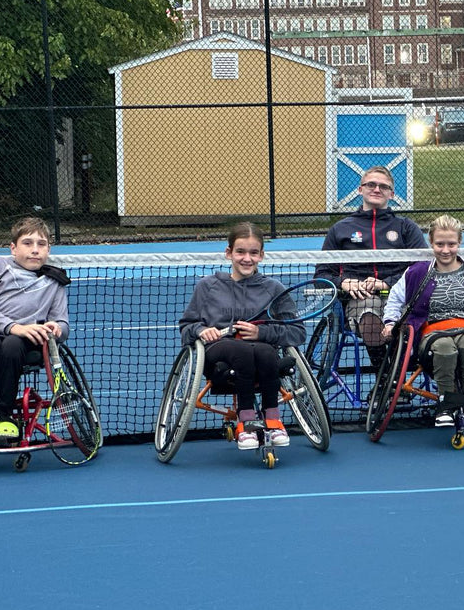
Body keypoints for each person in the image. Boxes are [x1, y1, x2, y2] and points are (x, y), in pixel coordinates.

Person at [180, 223, 305, 449]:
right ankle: (246, 421)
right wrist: (201, 330)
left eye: (253, 253)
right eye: (240, 252)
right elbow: (187, 327)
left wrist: (261, 332)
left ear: (262, 255)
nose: (247, 258)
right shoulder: (207, 286)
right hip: (218, 358)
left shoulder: (274, 289)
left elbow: (297, 332)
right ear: (229, 253)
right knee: (242, 349)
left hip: (264, 359)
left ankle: (273, 420)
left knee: (264, 349)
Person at [382, 215, 464, 427]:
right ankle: (446, 401)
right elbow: (395, 298)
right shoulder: (416, 272)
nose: (445, 250)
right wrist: (390, 322)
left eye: (451, 244)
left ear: (459, 243)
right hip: (431, 332)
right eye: (440, 244)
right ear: (431, 242)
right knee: (444, 347)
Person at [0, 217, 70, 442]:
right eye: (27, 243)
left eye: (41, 244)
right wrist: (14, 327)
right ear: (13, 248)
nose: (35, 250)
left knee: (12, 344)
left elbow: (62, 323)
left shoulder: (55, 281)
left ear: (48, 249)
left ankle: (5, 415)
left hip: (25, 343)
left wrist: (56, 328)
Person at [315, 166, 427, 368]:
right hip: (360, 301)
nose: (377, 189)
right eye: (371, 184)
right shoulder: (340, 229)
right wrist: (344, 283)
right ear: (360, 189)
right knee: (370, 312)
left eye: (383, 186)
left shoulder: (406, 227)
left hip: (402, 297)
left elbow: (423, 270)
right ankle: (385, 379)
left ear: (391, 194)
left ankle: (398, 376)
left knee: (407, 322)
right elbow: (321, 275)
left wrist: (386, 284)